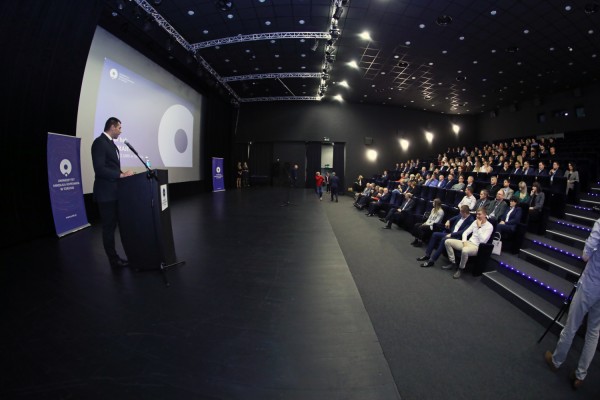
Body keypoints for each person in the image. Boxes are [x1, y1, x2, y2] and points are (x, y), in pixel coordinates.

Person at [544, 217, 600, 389]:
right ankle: (580, 375)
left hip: (591, 283)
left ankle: (556, 361)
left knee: (572, 325)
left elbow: (585, 256)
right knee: (594, 331)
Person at [91, 117, 134, 268]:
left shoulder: (111, 144)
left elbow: (112, 167)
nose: (120, 131)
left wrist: (123, 174)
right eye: (119, 128)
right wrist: (120, 175)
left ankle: (128, 255)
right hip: (105, 194)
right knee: (109, 229)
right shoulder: (99, 143)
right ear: (112, 127)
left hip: (116, 193)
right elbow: (99, 169)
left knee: (119, 226)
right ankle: (113, 260)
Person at [443, 207, 494, 279]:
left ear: (485, 215)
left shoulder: (489, 226)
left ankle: (461, 269)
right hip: (468, 242)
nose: (477, 216)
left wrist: (479, 227)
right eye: (477, 214)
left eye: (479, 214)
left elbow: (483, 241)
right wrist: (464, 241)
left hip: (477, 247)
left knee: (465, 250)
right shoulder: (475, 222)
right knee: (447, 241)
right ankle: (453, 262)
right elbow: (465, 232)